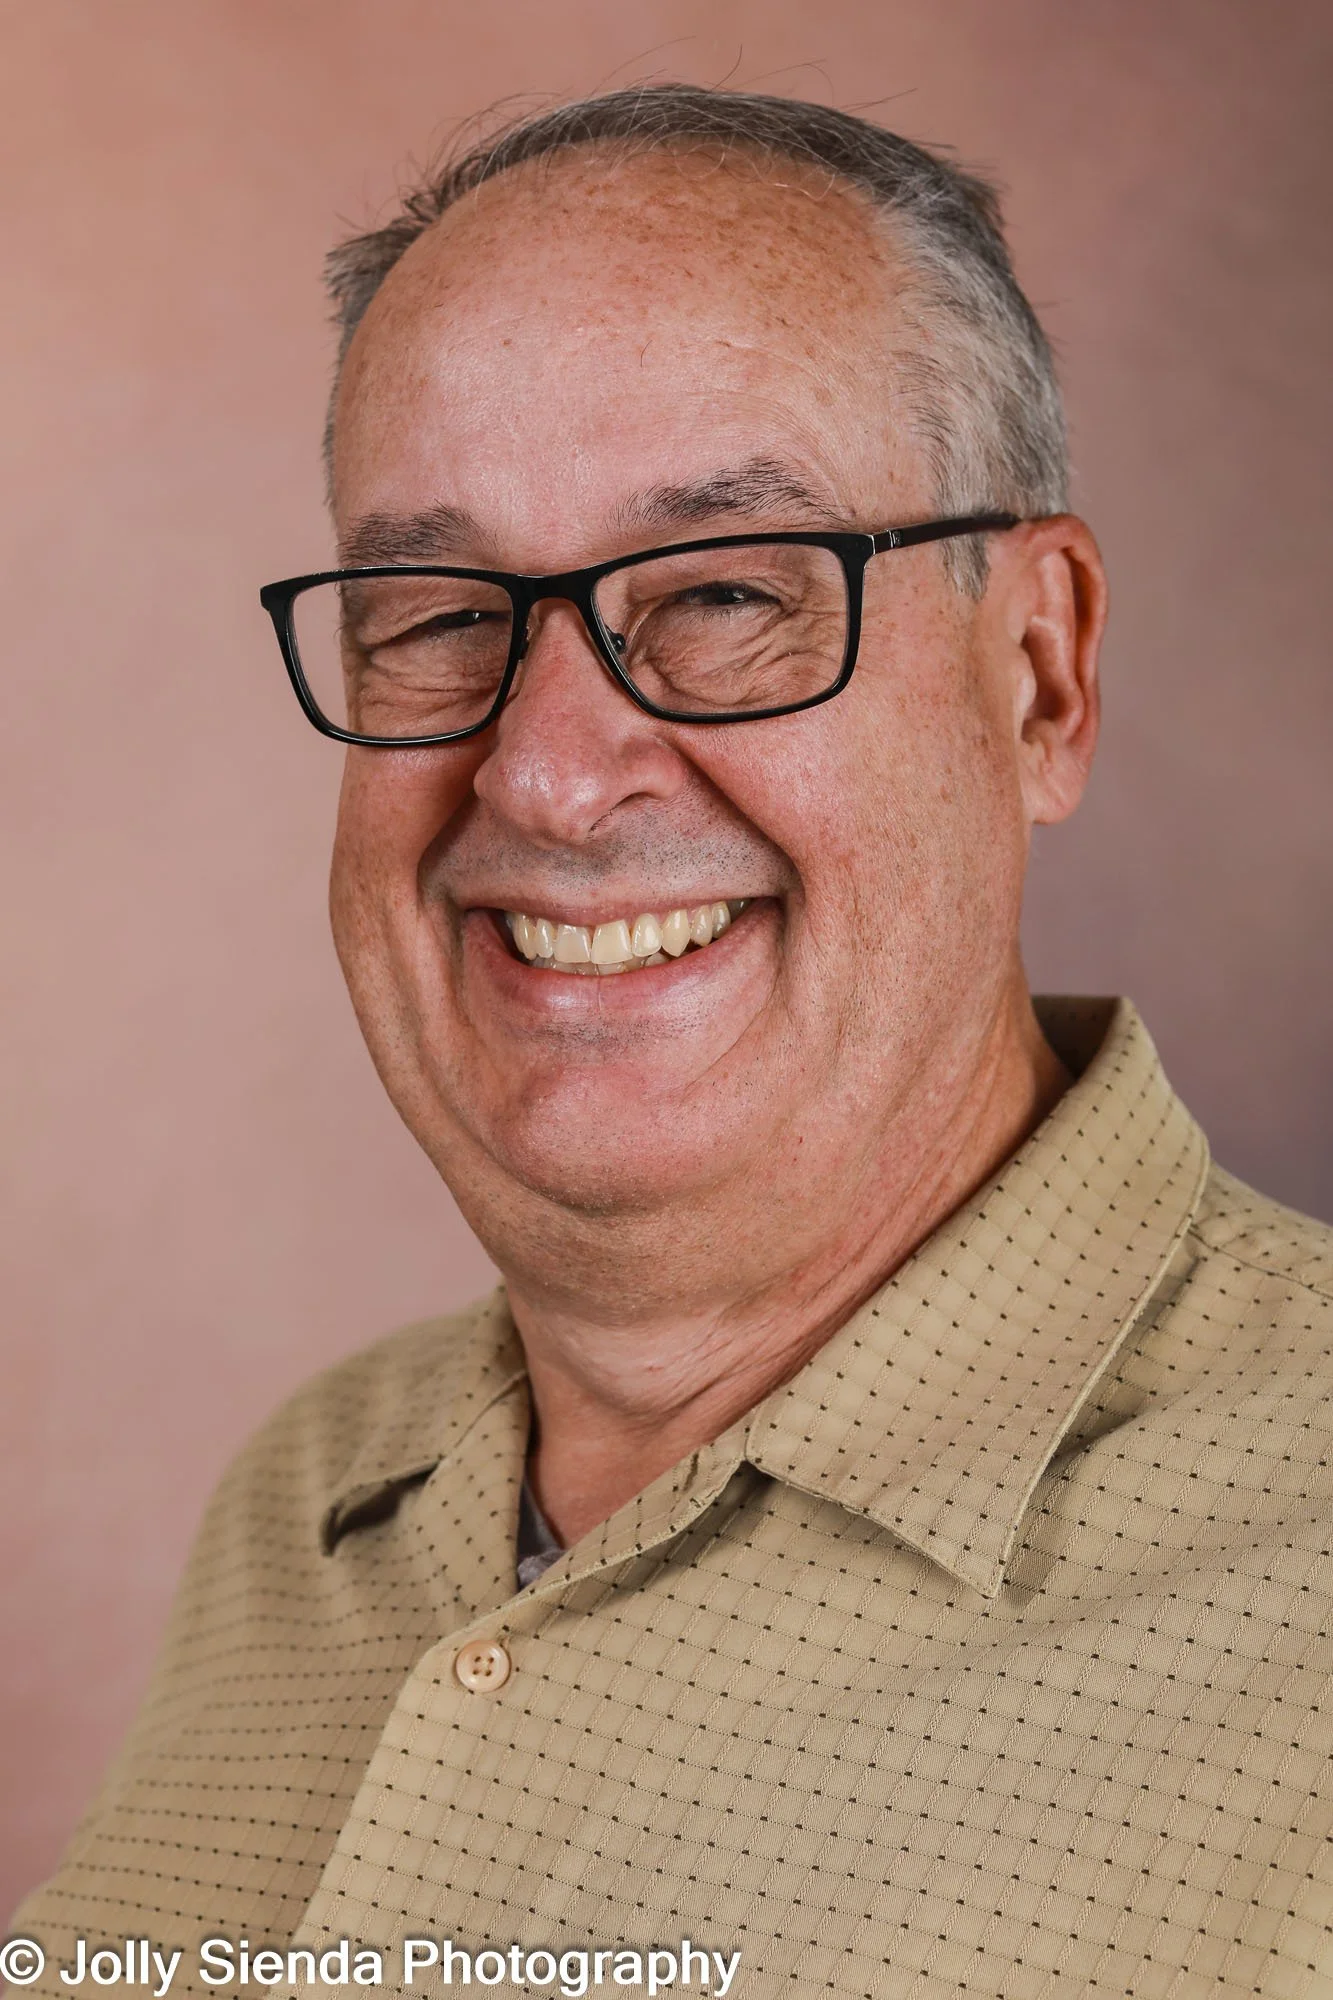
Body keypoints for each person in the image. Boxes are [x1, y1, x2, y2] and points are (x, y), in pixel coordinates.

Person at [10, 83, 1333, 2000]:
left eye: (724, 593)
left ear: (1039, 674)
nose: (544, 764)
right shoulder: (306, 1505)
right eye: (436, 613)